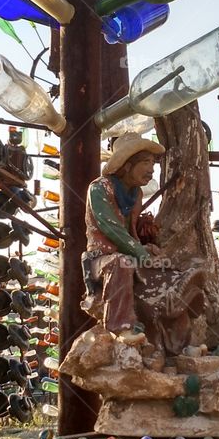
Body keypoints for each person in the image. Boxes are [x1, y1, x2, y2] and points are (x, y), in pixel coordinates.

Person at [83, 133, 165, 343]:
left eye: (153, 163)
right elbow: (110, 228)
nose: (152, 169)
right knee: (121, 263)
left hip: (126, 252)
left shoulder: (135, 194)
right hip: (100, 257)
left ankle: (166, 335)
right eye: (146, 162)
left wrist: (145, 249)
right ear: (127, 165)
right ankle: (121, 328)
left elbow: (130, 232)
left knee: (164, 267)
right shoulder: (99, 188)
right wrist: (138, 253)